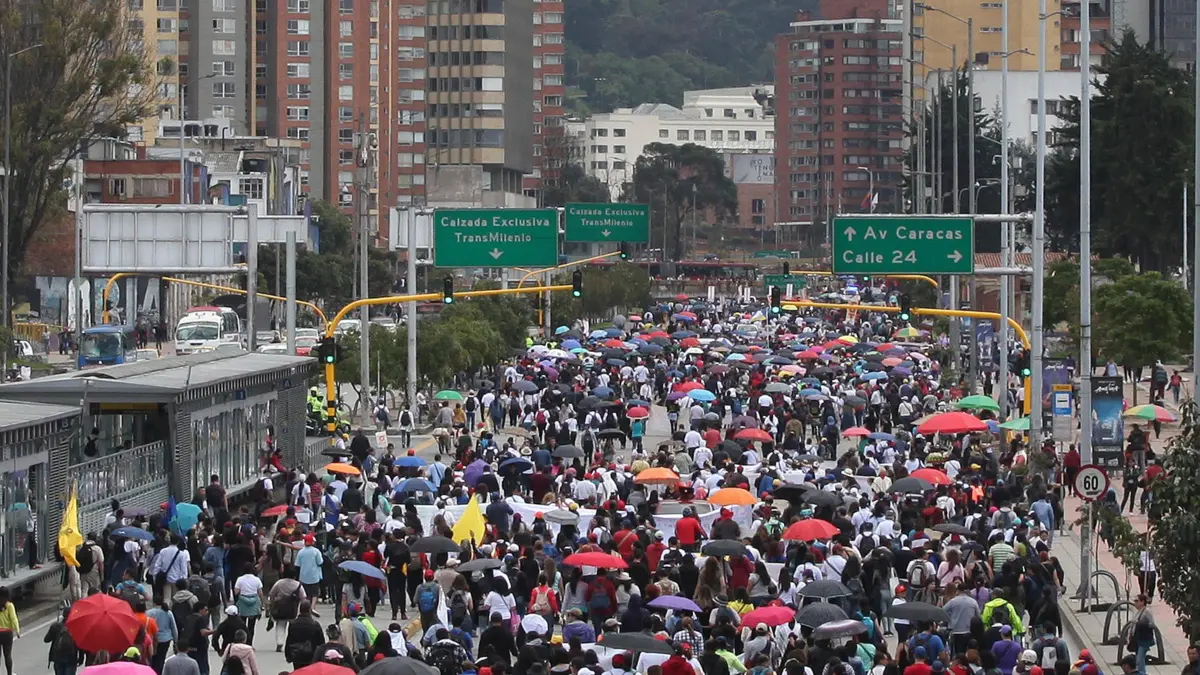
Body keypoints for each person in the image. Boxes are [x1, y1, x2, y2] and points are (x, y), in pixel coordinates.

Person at [285, 601, 324, 669]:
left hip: (296, 653)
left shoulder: (293, 624)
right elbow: (321, 641)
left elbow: (289, 640)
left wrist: (288, 655)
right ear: (309, 610)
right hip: (311, 654)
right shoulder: (315, 624)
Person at [44, 607, 81, 675]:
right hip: (71, 658)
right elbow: (80, 643)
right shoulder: (76, 627)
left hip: (58, 657)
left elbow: (46, 639)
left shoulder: (56, 626)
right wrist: (81, 657)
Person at [0, 587, 18, 675]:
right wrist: (17, 630)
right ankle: (9, 673)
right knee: (7, 655)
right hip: (7, 633)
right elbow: (13, 619)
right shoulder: (9, 606)